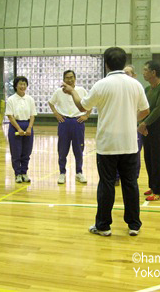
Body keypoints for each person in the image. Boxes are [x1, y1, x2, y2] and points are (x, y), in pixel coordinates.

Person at [62, 47, 150, 236]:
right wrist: (129, 120)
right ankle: (134, 224)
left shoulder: (102, 84)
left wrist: (72, 92)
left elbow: (82, 105)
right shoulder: (135, 85)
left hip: (108, 144)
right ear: (123, 61)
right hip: (129, 143)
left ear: (106, 64)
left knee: (107, 184)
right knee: (130, 184)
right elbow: (145, 110)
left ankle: (103, 226)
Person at [48, 70, 90, 184]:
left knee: (78, 149)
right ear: (63, 79)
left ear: (75, 78)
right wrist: (56, 114)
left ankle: (79, 173)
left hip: (78, 122)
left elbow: (89, 104)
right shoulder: (58, 92)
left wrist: (86, 115)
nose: (69, 80)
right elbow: (51, 103)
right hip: (64, 122)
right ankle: (62, 173)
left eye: (71, 77)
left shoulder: (81, 90)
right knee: (62, 149)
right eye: (67, 78)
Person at [137, 61, 160, 201]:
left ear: (153, 73)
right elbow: (143, 108)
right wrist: (141, 123)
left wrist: (144, 123)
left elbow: (158, 110)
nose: (143, 72)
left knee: (157, 158)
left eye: (145, 70)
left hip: (157, 125)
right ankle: (153, 185)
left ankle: (159, 190)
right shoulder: (147, 89)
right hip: (147, 126)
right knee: (148, 157)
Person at [114, 65, 143, 186]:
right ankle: (116, 177)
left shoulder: (137, 89)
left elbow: (145, 110)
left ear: (134, 75)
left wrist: (131, 120)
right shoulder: (116, 89)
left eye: (128, 73)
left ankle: (133, 176)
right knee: (117, 151)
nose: (125, 75)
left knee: (134, 152)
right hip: (118, 127)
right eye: (124, 73)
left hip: (134, 127)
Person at [5, 76, 37, 183]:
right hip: (15, 126)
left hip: (27, 125)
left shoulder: (30, 99)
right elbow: (10, 116)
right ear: (15, 85)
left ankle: (24, 173)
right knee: (16, 152)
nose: (22, 86)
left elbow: (32, 115)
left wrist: (29, 128)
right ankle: (17, 174)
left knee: (26, 152)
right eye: (20, 84)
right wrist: (18, 128)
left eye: (24, 84)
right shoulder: (11, 99)